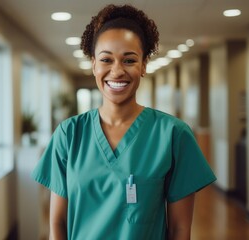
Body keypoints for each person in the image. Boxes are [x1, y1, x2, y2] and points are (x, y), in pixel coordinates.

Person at [31, 4, 216, 239]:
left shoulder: (173, 135)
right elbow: (58, 223)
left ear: (144, 65)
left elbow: (180, 229)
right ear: (94, 64)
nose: (117, 71)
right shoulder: (69, 134)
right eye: (106, 59)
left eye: (129, 60)